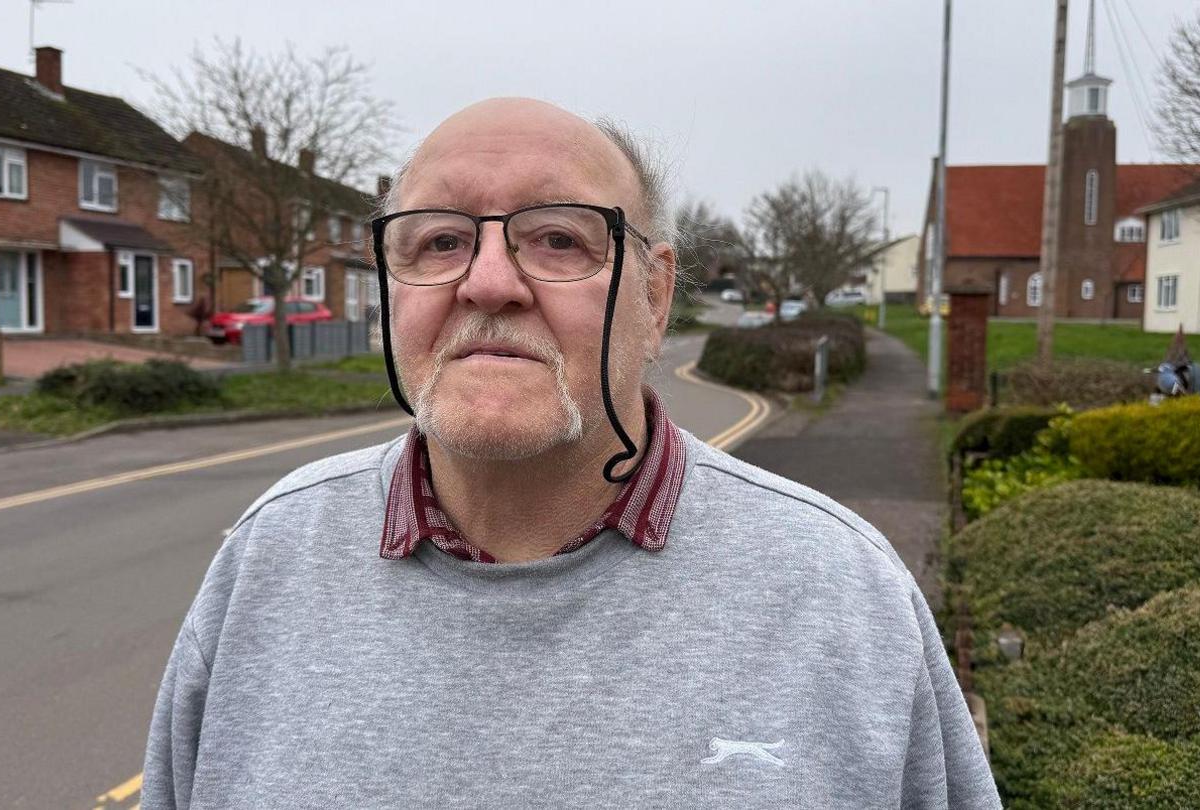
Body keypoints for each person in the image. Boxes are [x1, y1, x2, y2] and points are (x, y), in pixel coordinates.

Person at [141, 98, 1000, 808]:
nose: (487, 280)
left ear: (655, 299)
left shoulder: (841, 593)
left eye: (558, 238)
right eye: (438, 241)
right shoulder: (268, 559)